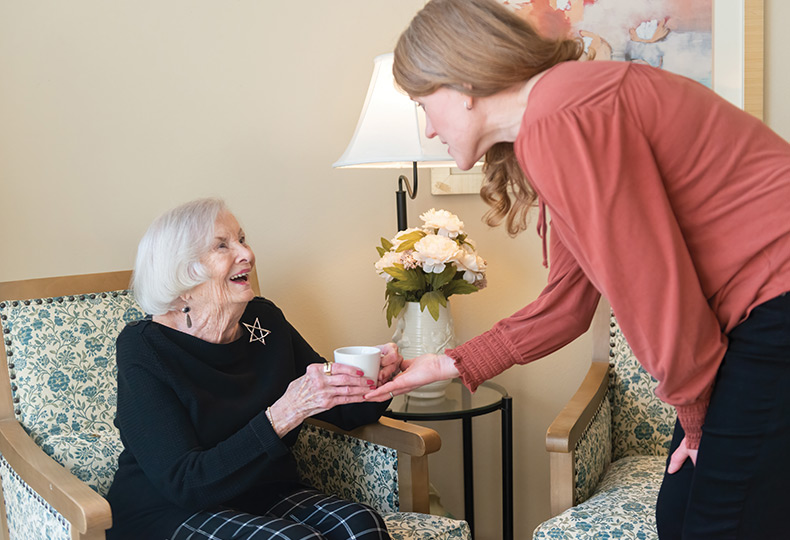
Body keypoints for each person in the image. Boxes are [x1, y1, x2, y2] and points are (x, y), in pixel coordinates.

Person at [366, 0, 790, 537]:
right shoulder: (557, 117)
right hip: (763, 311)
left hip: (776, 300)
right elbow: (566, 305)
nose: (428, 130)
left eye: (424, 105)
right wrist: (446, 364)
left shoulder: (563, 117)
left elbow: (654, 292)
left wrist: (696, 419)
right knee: (680, 510)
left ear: (461, 83)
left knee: (716, 523)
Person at [106, 198, 399, 540]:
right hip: (168, 512)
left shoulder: (265, 320)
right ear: (182, 271)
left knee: (361, 524)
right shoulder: (145, 348)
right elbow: (185, 483)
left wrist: (382, 377)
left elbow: (343, 411)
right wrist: (283, 414)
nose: (246, 254)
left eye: (242, 239)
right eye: (222, 245)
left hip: (263, 494)